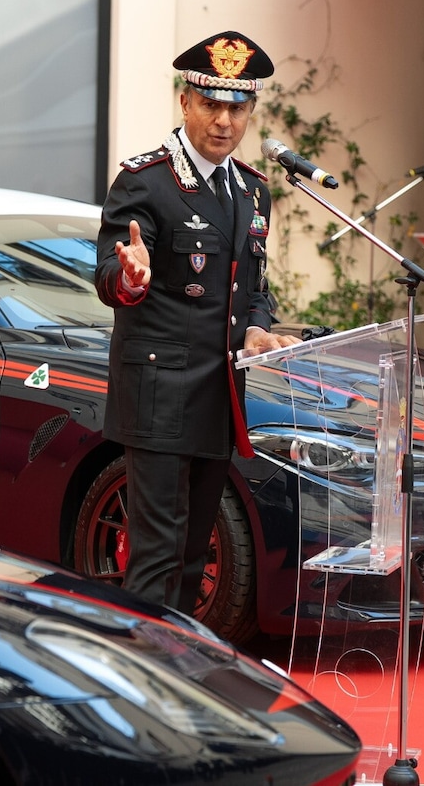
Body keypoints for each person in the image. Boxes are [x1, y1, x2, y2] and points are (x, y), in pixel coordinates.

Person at [94, 31, 299, 614]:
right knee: (156, 556)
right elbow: (109, 276)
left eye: (237, 108)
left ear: (251, 111)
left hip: (218, 395)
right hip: (160, 394)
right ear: (185, 102)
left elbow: (253, 287)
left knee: (192, 555)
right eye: (210, 104)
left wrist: (257, 328)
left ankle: (181, 659)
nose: (223, 121)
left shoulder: (252, 192)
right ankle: (139, 660)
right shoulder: (145, 180)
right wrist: (131, 277)